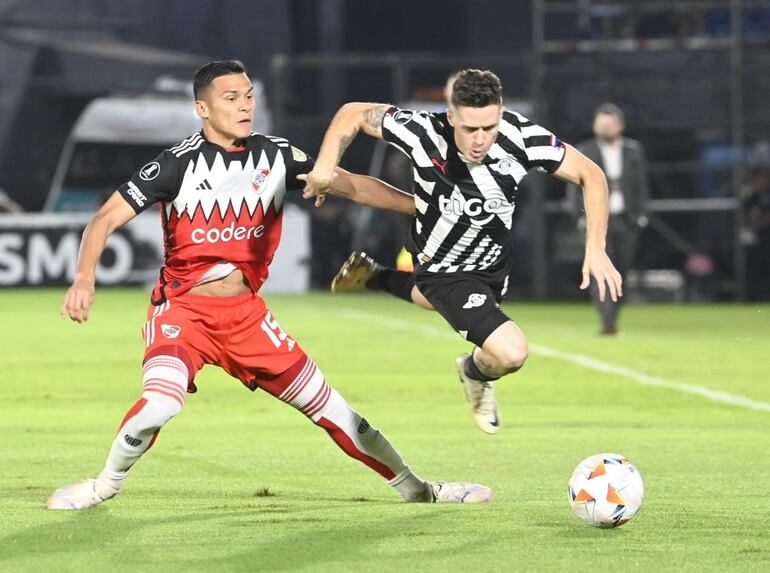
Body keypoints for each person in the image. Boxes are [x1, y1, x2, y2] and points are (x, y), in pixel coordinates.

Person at [46, 60, 492, 510]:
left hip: (247, 319)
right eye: (231, 98)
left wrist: (423, 206)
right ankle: (104, 485)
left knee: (337, 412)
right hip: (184, 313)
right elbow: (103, 220)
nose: (245, 106)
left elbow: (352, 186)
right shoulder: (175, 165)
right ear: (202, 108)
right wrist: (84, 279)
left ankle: (422, 491)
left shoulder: (277, 156)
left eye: (249, 96)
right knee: (161, 405)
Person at [302, 69, 622, 435]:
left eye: (490, 127)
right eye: (470, 129)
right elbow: (353, 113)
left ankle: (375, 277)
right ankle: (472, 374)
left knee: (429, 300)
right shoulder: (422, 130)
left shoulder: (522, 137)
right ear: (451, 116)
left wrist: (596, 248)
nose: (480, 139)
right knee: (511, 353)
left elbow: (591, 174)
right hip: (443, 267)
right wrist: (325, 168)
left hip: (493, 263)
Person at [567, 103, 650, 335]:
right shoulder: (585, 150)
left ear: (620, 126)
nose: (605, 128)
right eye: (601, 124)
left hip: (626, 220)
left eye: (610, 123)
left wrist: (641, 216)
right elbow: (574, 187)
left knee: (621, 270)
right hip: (596, 221)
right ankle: (607, 320)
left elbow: (641, 187)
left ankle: (613, 316)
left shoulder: (633, 151)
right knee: (597, 268)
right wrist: (580, 217)